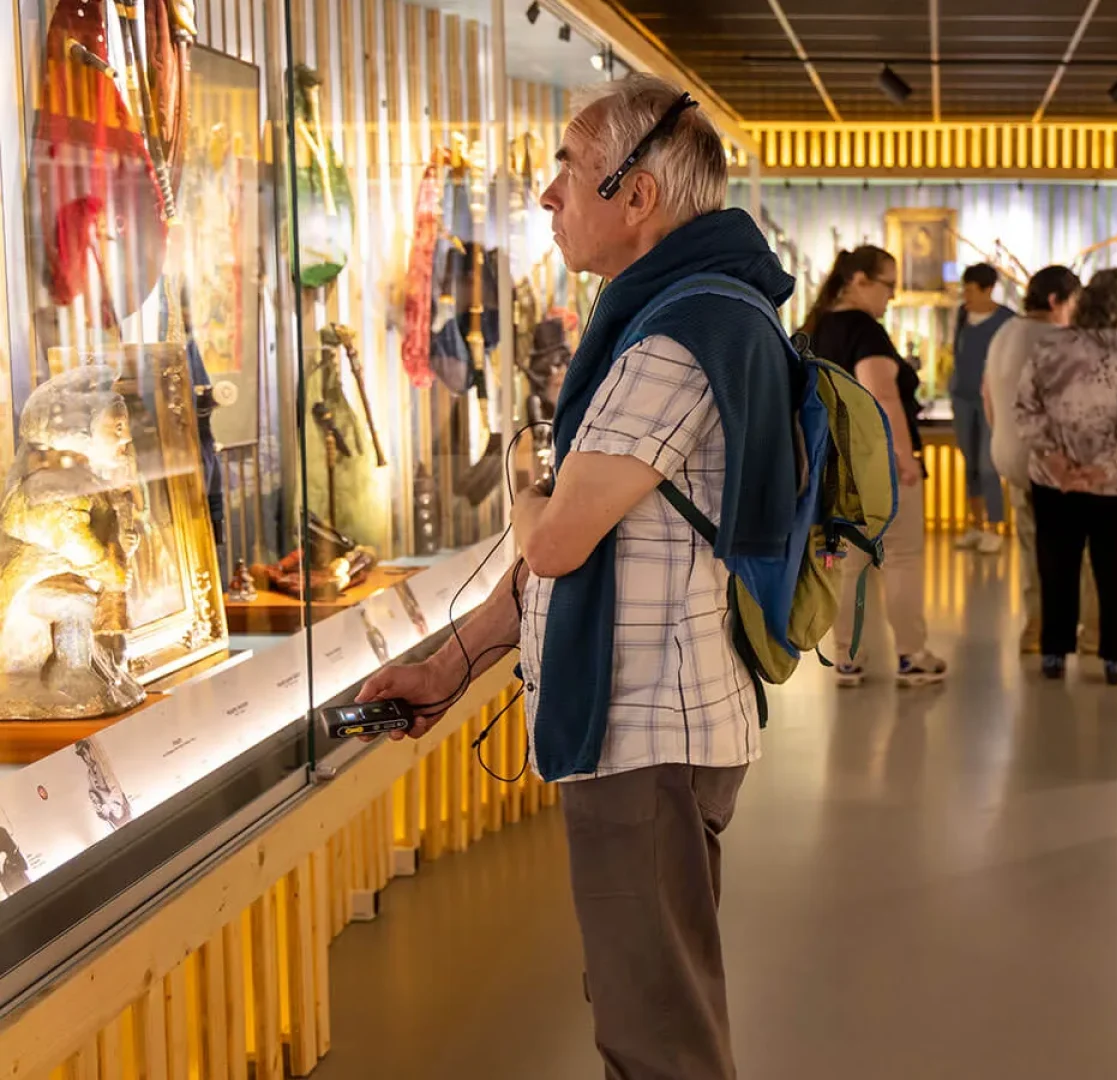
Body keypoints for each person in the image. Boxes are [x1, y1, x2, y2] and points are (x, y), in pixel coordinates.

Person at [356, 73, 788, 1079]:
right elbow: (562, 562)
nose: (548, 194)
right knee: (645, 1008)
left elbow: (554, 544)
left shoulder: (683, 335)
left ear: (638, 197)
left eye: (569, 168)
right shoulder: (663, 320)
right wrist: (447, 666)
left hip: (649, 737)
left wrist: (524, 485)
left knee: (656, 1036)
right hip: (644, 731)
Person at [803, 245, 949, 687]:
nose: (892, 295)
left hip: (831, 467)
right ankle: (910, 654)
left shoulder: (814, 328)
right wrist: (904, 458)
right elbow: (881, 396)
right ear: (860, 281)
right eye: (888, 284)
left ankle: (846, 658)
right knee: (902, 558)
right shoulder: (865, 331)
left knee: (846, 563)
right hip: (876, 468)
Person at [1014, 268, 1117, 685]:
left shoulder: (1048, 348)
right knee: (1114, 572)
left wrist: (1057, 461)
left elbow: (1024, 408)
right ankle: (1115, 657)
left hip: (1053, 481)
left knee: (1056, 566)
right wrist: (1100, 469)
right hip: (1115, 486)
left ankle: (1054, 652)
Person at [983, 265, 1078, 651]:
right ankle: (1068, 629)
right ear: (1056, 301)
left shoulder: (1005, 331)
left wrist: (1003, 435)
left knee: (1028, 543)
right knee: (1066, 550)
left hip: (1008, 454)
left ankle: (1033, 625)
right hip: (1048, 462)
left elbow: (987, 395)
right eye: (1073, 303)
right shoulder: (1059, 339)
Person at [950, 263, 1014, 554]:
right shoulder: (963, 315)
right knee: (971, 464)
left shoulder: (1007, 321)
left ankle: (996, 526)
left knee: (989, 466)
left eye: (971, 289)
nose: (966, 294)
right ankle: (976, 526)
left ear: (988, 289)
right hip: (962, 399)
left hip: (993, 402)